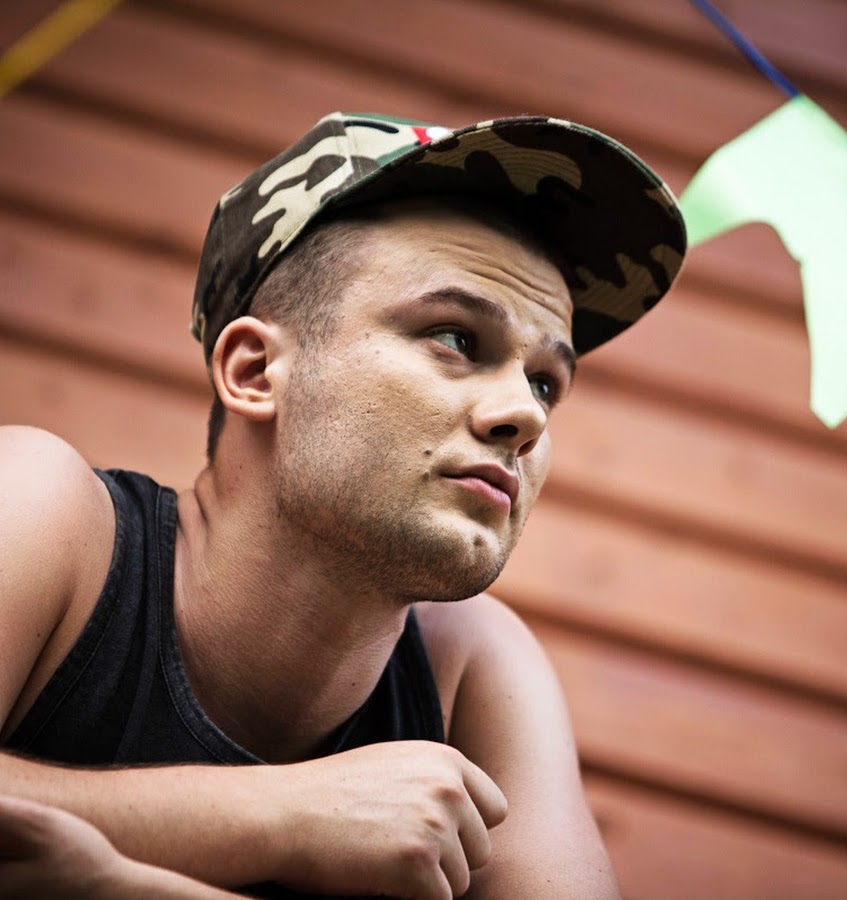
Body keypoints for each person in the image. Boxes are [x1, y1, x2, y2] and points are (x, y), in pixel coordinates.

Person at [0, 112, 685, 898]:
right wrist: (288, 815)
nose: (526, 416)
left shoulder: (474, 666)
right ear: (256, 371)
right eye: (457, 339)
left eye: (544, 383)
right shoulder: (45, 508)